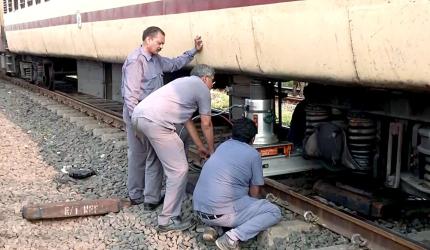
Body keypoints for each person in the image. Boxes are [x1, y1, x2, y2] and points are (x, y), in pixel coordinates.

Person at [121, 26, 203, 206]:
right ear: (148, 40)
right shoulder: (136, 61)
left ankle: (150, 198)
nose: (161, 47)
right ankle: (136, 195)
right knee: (138, 155)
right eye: (159, 43)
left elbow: (174, 64)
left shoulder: (156, 60)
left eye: (162, 44)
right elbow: (131, 96)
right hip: (139, 117)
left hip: (153, 117)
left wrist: (193, 51)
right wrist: (136, 125)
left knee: (154, 156)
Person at [132, 64, 215, 232]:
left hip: (139, 116)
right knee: (179, 170)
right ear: (205, 78)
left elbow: (187, 120)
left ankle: (151, 199)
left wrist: (200, 146)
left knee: (154, 158)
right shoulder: (202, 88)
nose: (213, 85)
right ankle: (168, 219)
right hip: (157, 122)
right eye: (212, 81)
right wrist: (212, 150)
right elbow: (206, 123)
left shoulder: (183, 83)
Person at [193, 118, 282, 250]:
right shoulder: (253, 155)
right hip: (222, 214)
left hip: (199, 210)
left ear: (232, 134)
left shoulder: (223, 146)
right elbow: (254, 193)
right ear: (253, 139)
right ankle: (231, 237)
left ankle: (214, 228)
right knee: (274, 211)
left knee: (230, 199)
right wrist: (254, 208)